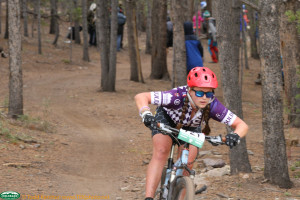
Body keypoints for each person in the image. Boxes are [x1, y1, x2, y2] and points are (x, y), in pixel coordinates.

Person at [135, 67, 249, 200]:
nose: (204, 98)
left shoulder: (213, 105)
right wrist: (146, 113)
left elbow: (242, 125)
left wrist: (235, 135)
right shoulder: (176, 96)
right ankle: (148, 197)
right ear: (190, 90)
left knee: (188, 162)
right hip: (166, 120)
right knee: (161, 151)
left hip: (191, 128)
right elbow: (141, 97)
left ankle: (181, 193)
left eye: (209, 94)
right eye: (200, 93)